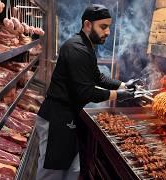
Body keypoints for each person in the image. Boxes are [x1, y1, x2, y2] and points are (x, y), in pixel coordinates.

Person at [35, 4, 140, 180]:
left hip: (68, 118)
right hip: (57, 119)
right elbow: (86, 92)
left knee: (72, 170)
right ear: (87, 24)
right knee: (52, 173)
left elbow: (98, 77)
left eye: (109, 27)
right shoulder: (77, 48)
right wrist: (118, 96)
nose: (108, 32)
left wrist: (123, 85)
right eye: (103, 27)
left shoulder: (87, 46)